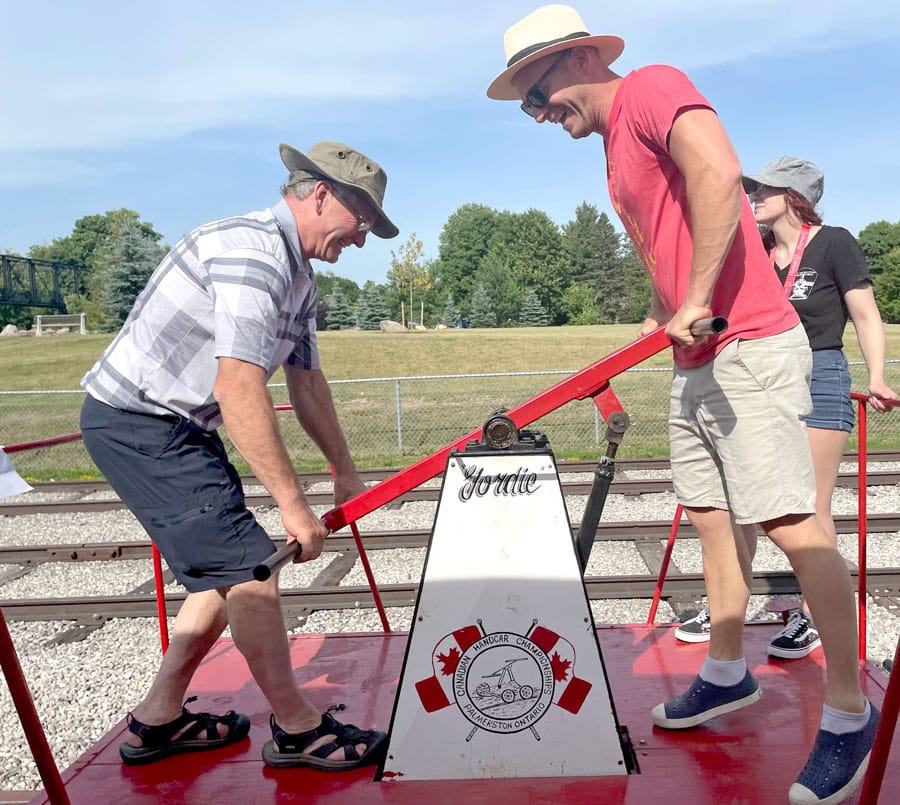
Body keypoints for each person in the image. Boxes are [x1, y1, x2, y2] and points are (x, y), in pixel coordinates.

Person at [487, 6, 878, 804]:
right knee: (707, 513)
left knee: (791, 521)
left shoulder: (652, 89)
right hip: (696, 355)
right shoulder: (608, 143)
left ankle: (848, 713)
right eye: (527, 105)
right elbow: (676, 225)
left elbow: (718, 173)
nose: (538, 115)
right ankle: (727, 671)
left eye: (537, 95)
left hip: (748, 345)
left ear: (579, 60)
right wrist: (668, 302)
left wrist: (697, 293)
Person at [79, 141, 398, 771]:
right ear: (321, 194)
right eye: (362, 221)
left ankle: (157, 718)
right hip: (139, 421)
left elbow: (306, 382)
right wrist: (294, 505)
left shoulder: (297, 273)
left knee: (226, 574)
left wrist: (344, 471)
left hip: (178, 426)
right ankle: (298, 730)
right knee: (252, 568)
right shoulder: (251, 254)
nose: (362, 239)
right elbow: (238, 385)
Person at [677, 157, 897, 657]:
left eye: (764, 189)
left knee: (807, 504)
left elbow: (864, 313)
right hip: (761, 376)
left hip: (819, 373)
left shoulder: (834, 242)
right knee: (743, 500)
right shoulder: (754, 249)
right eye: (752, 188)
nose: (753, 196)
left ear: (794, 195)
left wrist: (877, 376)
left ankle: (813, 617)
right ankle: (729, 606)